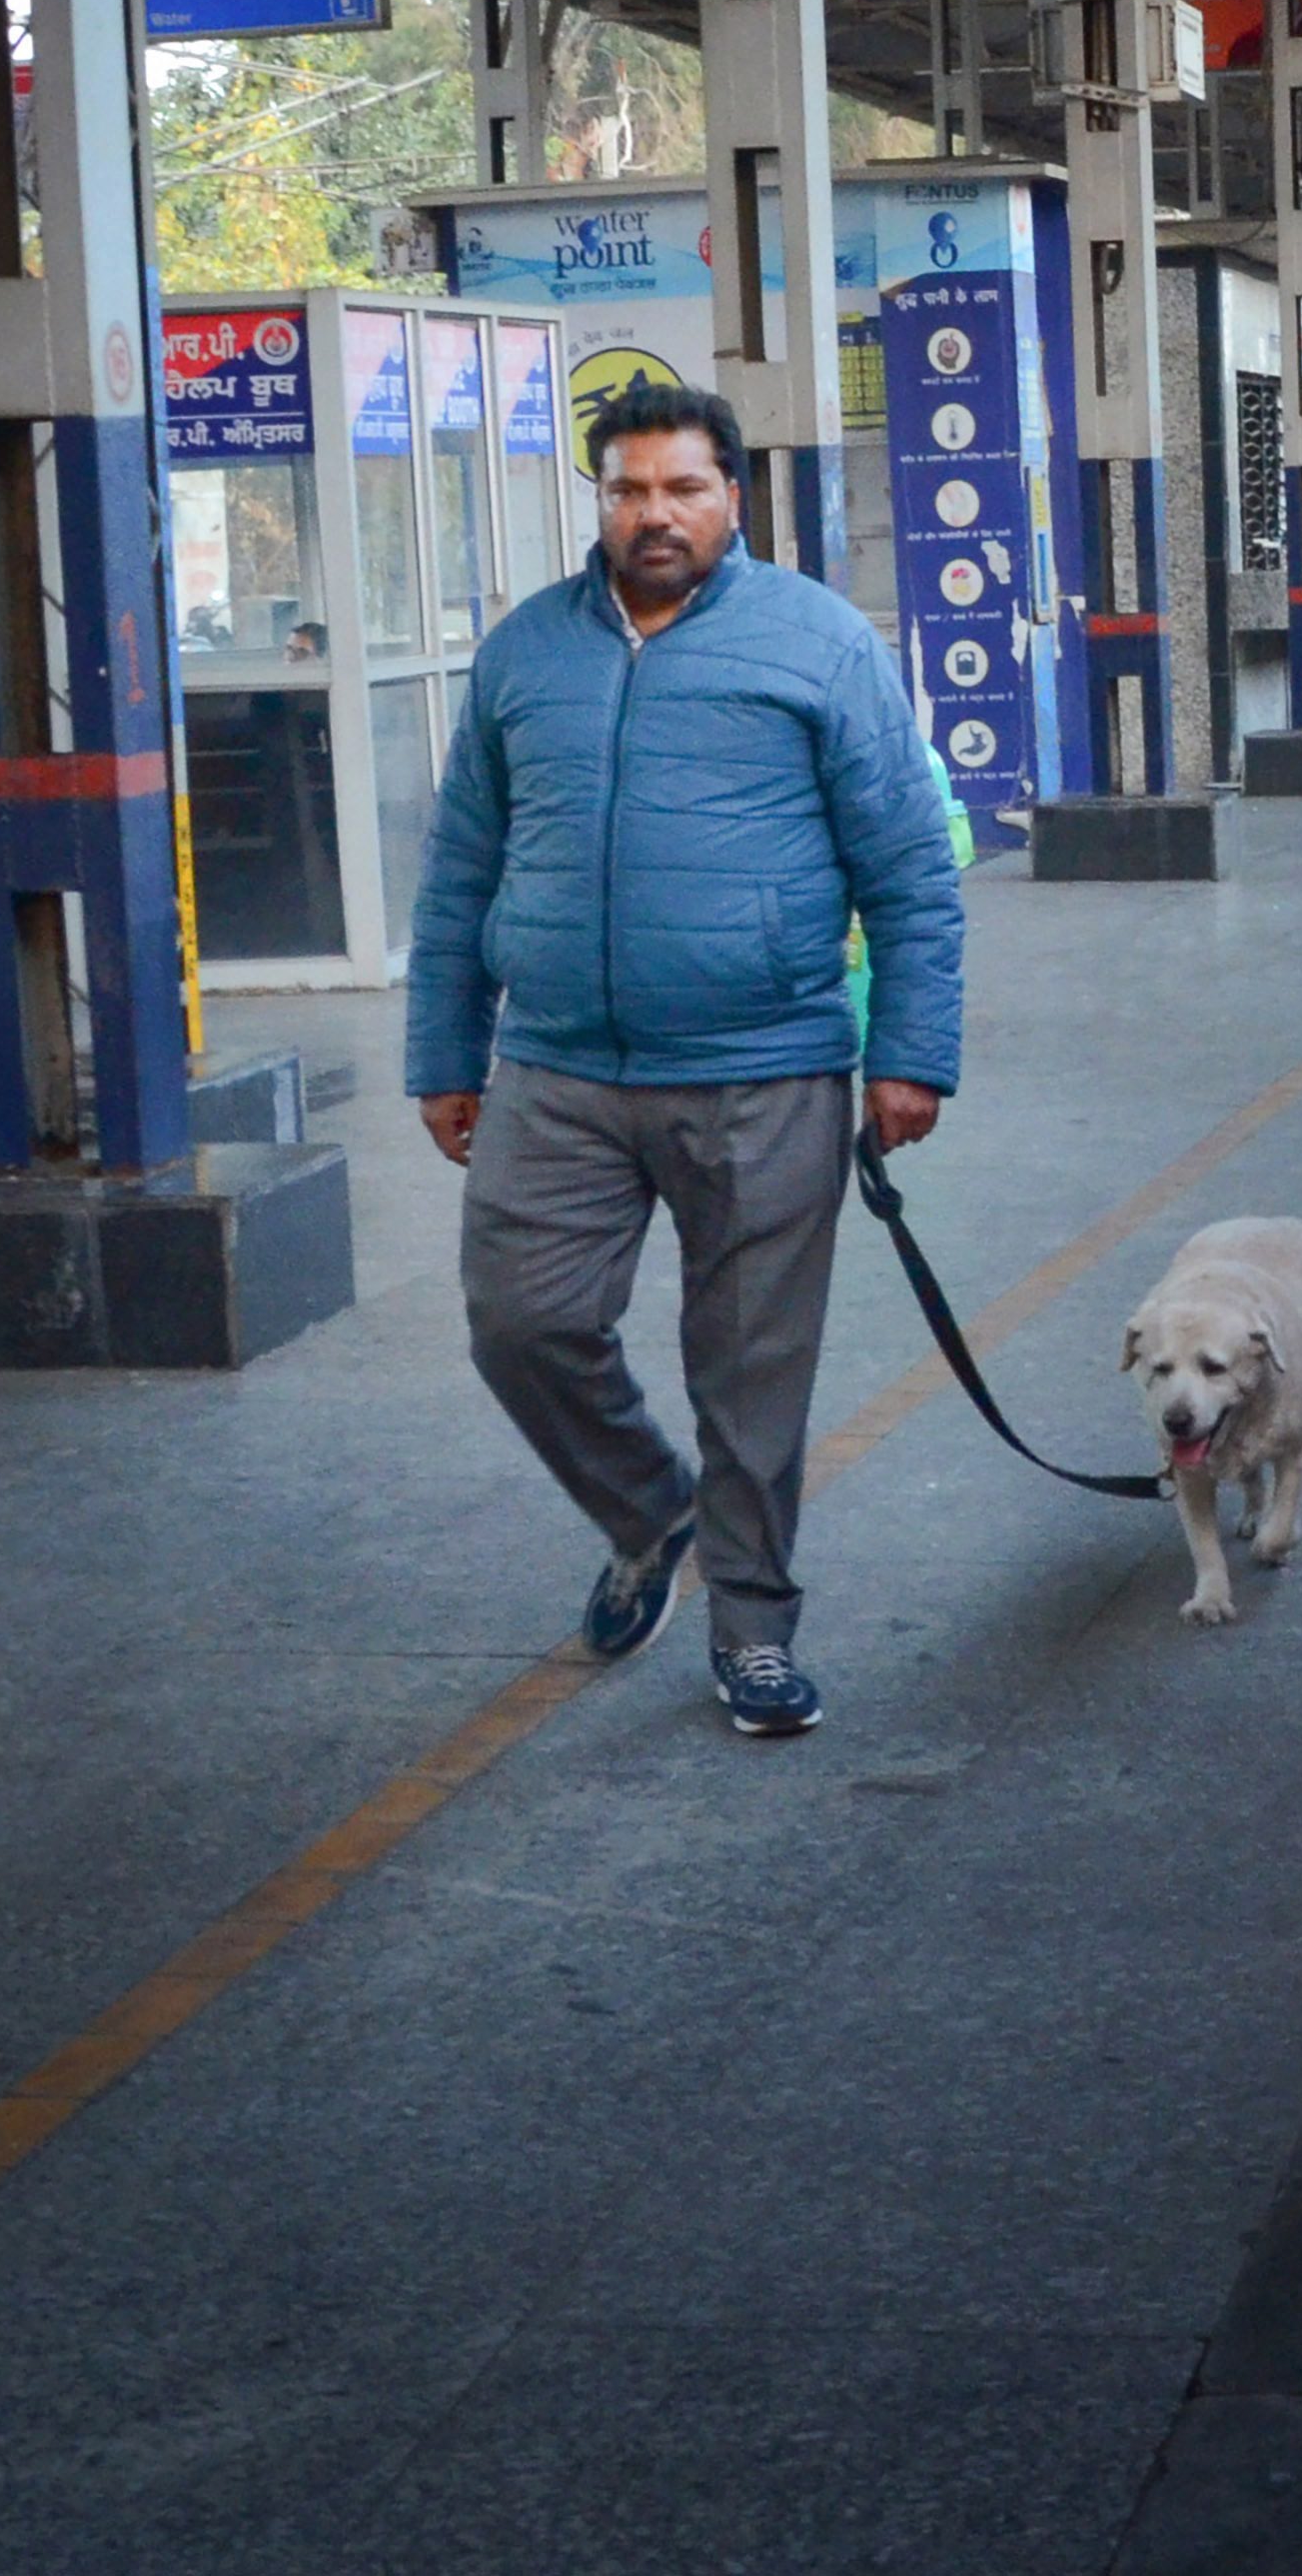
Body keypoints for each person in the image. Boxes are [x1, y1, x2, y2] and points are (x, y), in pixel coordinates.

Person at [406, 384, 966, 1737]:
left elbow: (906, 870)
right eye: (627, 489)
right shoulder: (527, 650)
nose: (652, 513)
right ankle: (652, 1508)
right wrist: (443, 1045)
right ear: (598, 498)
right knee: (521, 1318)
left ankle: (754, 1627)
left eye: (682, 487)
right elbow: (460, 865)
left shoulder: (819, 641)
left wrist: (910, 1051)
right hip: (556, 1065)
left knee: (752, 1366)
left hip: (763, 1063)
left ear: (733, 496)